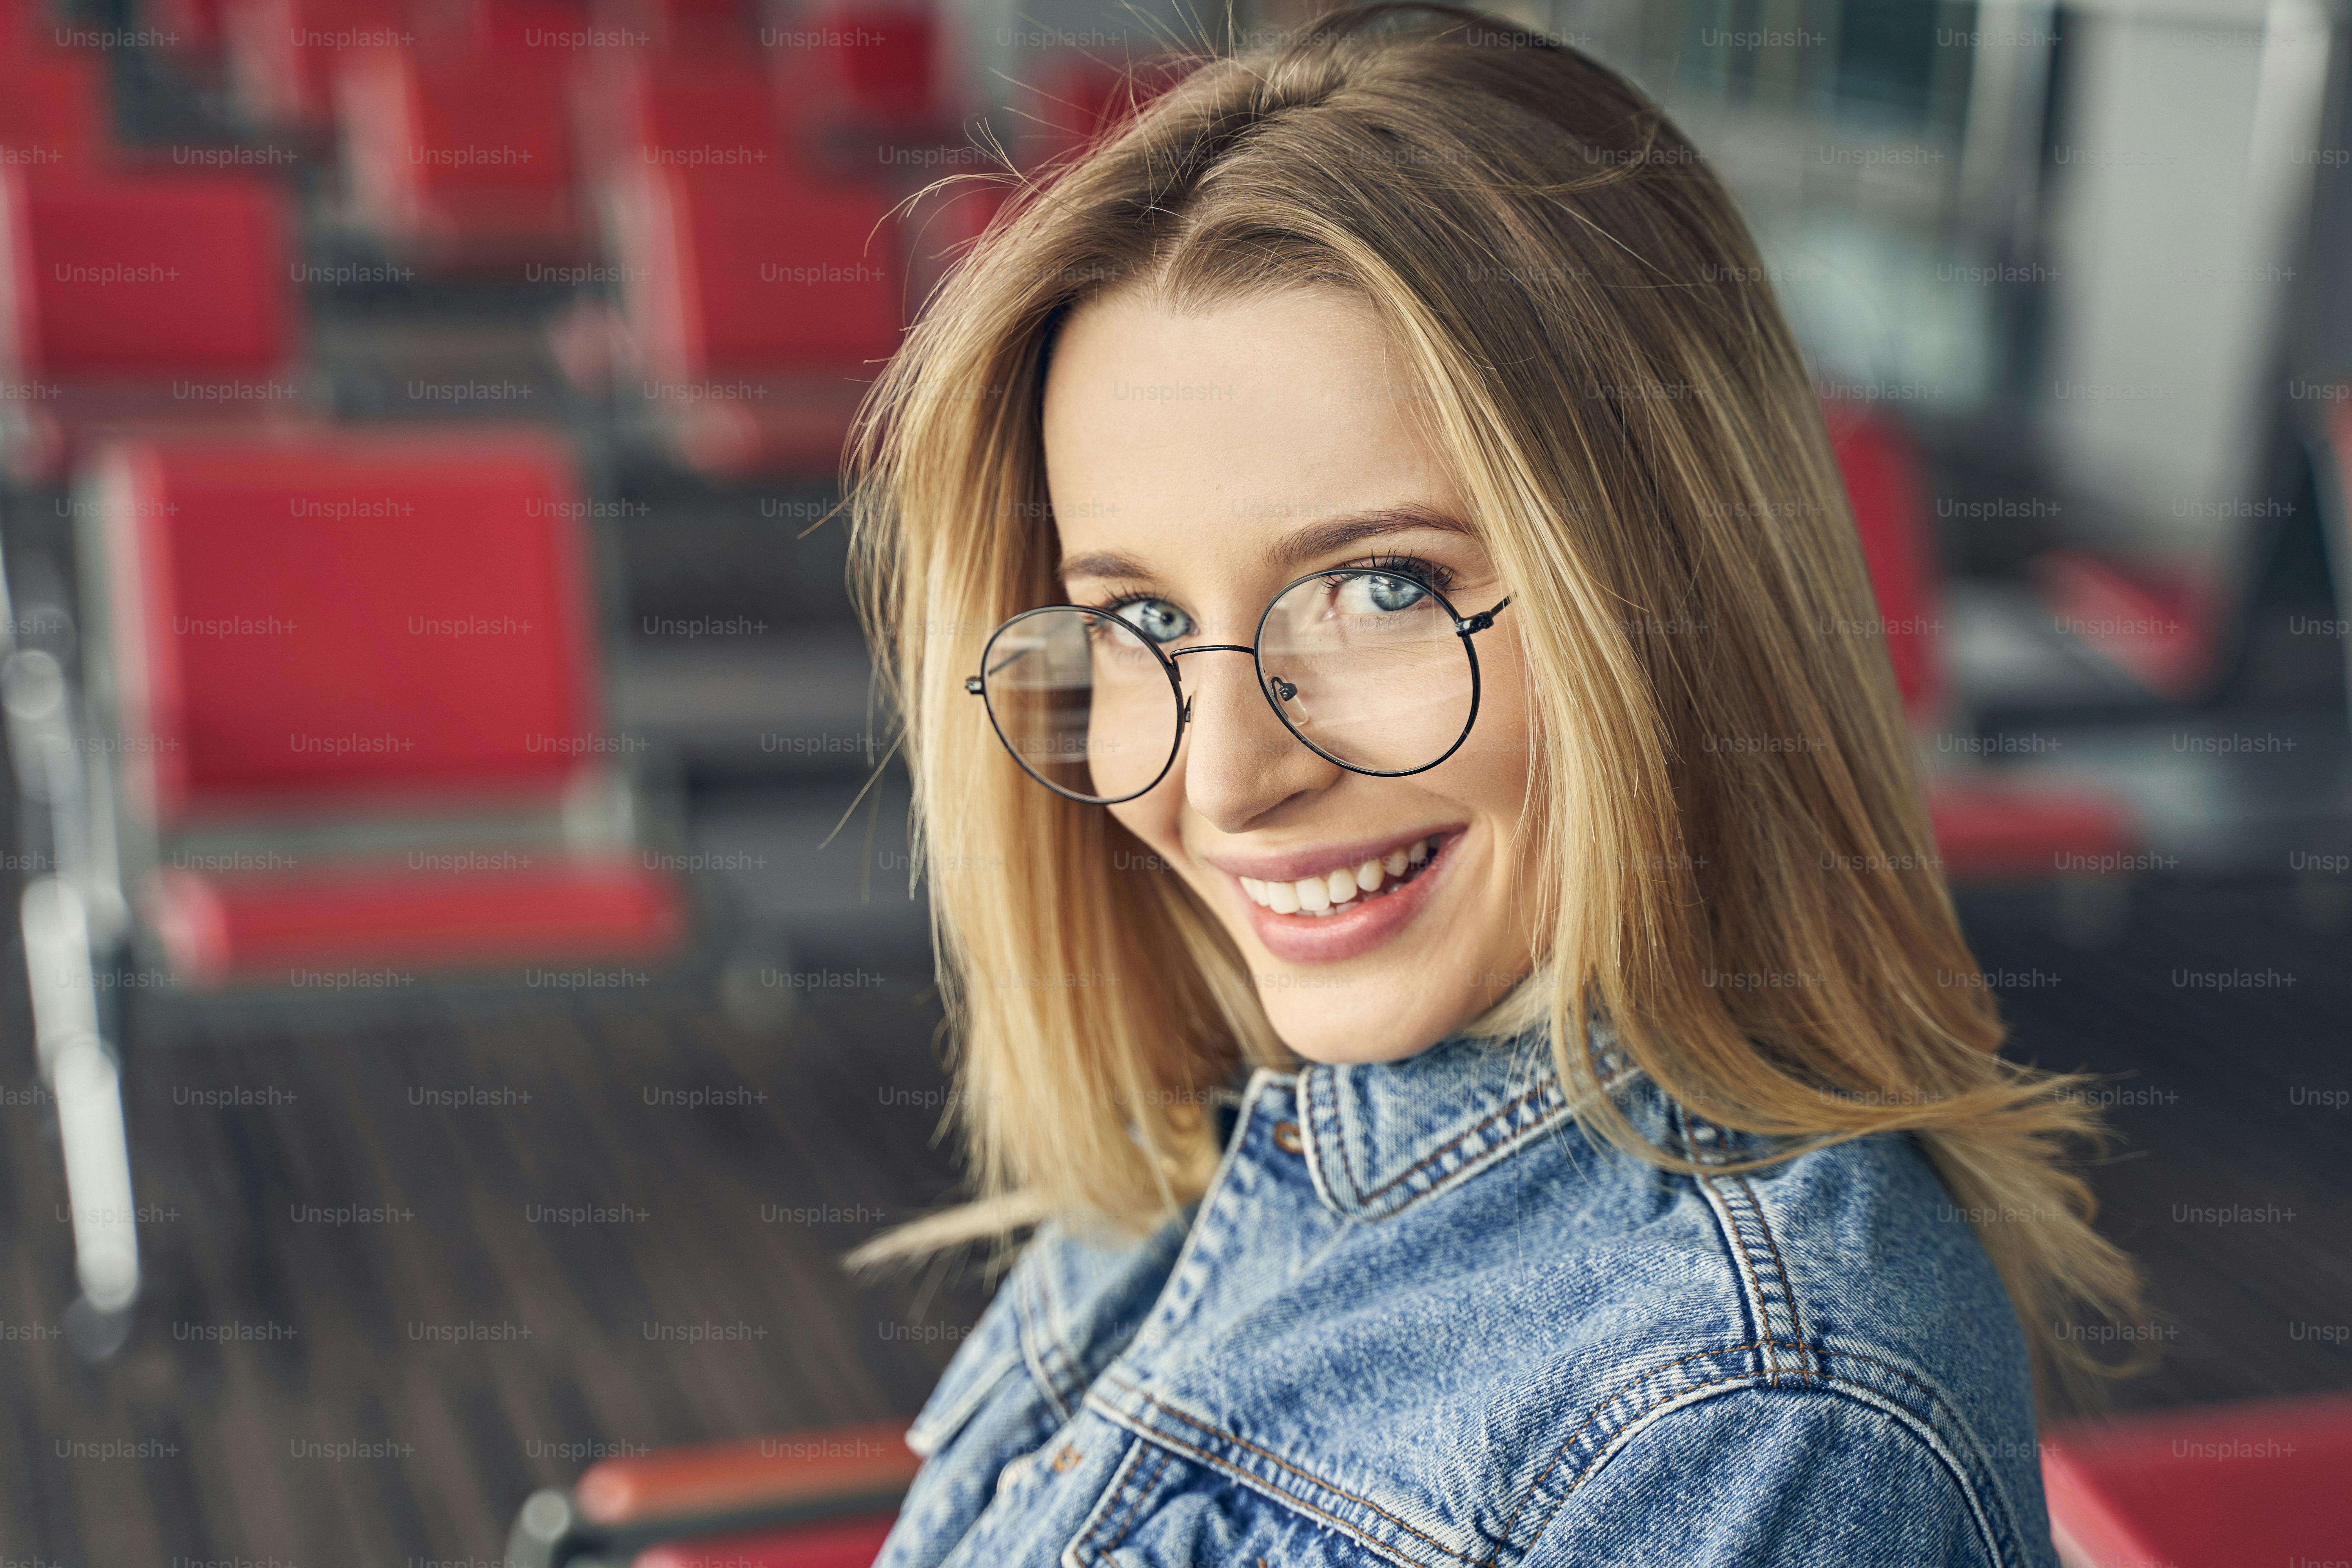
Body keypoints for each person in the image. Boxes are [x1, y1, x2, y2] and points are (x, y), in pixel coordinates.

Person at [844, 8, 2144, 1563]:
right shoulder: (1230, 1121)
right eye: (1139, 622)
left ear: (1678, 606)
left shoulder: (1752, 1417)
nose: (1227, 777)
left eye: (1382, 587)